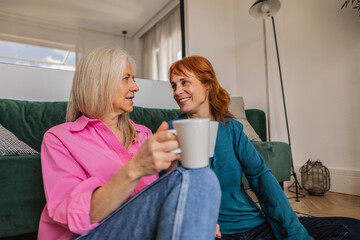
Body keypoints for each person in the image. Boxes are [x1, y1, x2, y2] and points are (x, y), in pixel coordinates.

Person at [167, 55, 360, 240]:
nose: (177, 91)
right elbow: (168, 193)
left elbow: (260, 177)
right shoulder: (170, 131)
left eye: (184, 82)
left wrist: (293, 234)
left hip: (255, 225)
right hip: (213, 233)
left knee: (351, 228)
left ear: (208, 84)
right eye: (174, 85)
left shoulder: (232, 128)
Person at [37, 47, 221, 240]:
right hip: (87, 235)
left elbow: (154, 202)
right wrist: (136, 168)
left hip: (140, 230)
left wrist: (196, 214)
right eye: (127, 79)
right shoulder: (59, 138)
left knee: (200, 176)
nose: (135, 87)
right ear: (101, 83)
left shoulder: (143, 135)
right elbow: (75, 217)